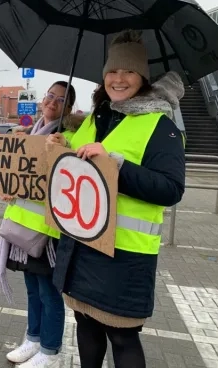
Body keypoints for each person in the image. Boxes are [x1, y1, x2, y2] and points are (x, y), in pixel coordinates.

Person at [47, 29, 185, 367]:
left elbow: (171, 189)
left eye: (128, 71)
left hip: (124, 255)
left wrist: (115, 166)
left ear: (142, 77)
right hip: (83, 244)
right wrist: (61, 146)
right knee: (85, 323)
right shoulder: (99, 115)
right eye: (112, 70)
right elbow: (81, 156)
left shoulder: (161, 126)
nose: (118, 78)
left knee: (122, 336)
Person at [0, 81, 85, 368]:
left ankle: (50, 351)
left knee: (49, 293)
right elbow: (23, 176)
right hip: (22, 229)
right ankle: (32, 339)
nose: (52, 101)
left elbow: (70, 177)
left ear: (68, 107)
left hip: (48, 233)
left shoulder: (69, 135)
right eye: (49, 95)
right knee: (33, 290)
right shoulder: (32, 133)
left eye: (61, 99)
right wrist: (9, 186)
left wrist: (65, 148)